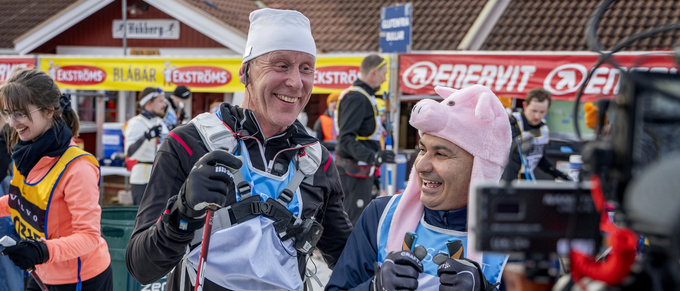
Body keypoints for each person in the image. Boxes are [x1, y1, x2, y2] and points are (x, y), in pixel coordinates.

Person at [125, 8, 352, 291]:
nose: (295, 82)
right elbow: (141, 267)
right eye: (281, 65)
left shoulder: (316, 160)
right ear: (245, 72)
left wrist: (385, 270)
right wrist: (182, 212)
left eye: (306, 68)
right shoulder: (187, 143)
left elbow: (349, 262)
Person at [326, 85, 512, 290]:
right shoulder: (381, 215)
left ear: (481, 169)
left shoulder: (515, 238)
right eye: (422, 149)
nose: (421, 165)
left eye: (441, 154)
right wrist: (373, 287)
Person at [0, 68, 112, 290]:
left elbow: (89, 236)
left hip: (80, 279)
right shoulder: (26, 152)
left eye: (20, 114)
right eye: (8, 114)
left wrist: (41, 250)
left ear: (49, 110)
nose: (12, 123)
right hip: (42, 270)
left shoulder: (77, 168)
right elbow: (20, 200)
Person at [334, 54, 395, 224]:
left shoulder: (367, 97)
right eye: (383, 74)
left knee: (364, 220)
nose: (384, 80)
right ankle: (346, 251)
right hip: (353, 172)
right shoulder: (356, 97)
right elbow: (345, 139)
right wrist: (373, 156)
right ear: (374, 73)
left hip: (364, 172)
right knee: (352, 222)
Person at [501, 88, 569, 182]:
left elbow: (538, 157)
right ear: (525, 105)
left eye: (542, 112)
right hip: (505, 178)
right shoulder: (511, 123)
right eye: (534, 111)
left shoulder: (543, 129)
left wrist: (555, 173)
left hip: (526, 179)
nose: (537, 116)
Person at [124, 87, 169, 205]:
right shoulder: (136, 123)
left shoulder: (159, 122)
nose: (164, 104)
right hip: (142, 180)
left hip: (160, 178)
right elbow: (130, 153)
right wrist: (146, 136)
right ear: (149, 103)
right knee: (143, 221)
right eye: (160, 101)